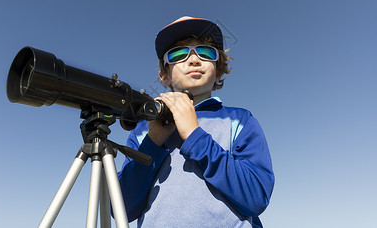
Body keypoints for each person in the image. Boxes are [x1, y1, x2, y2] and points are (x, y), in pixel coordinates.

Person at [117, 16, 274, 227]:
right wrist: (153, 143)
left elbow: (256, 197)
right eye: (179, 54)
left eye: (206, 52)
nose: (193, 60)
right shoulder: (144, 131)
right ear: (164, 75)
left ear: (218, 71)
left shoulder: (240, 120)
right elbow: (122, 209)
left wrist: (195, 135)